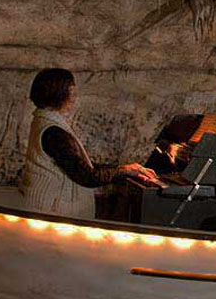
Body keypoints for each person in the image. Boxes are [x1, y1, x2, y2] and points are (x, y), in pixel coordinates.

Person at [21, 68, 158, 218]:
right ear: (59, 93)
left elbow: (81, 165)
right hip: (52, 210)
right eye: (71, 91)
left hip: (46, 206)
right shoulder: (53, 132)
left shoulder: (45, 122)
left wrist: (126, 169)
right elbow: (86, 175)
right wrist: (123, 171)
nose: (73, 97)